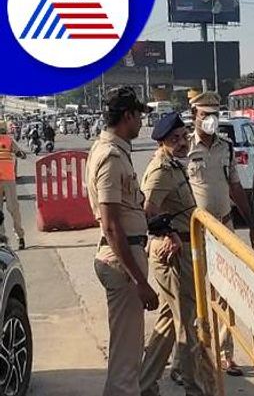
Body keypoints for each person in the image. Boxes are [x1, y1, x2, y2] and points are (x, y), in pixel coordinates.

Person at [86, 87, 159, 396]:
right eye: (138, 116)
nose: (141, 123)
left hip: (125, 252)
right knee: (126, 360)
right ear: (127, 116)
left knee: (126, 350)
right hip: (122, 257)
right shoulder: (111, 156)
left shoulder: (112, 150)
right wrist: (139, 280)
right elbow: (112, 225)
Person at [186, 91, 254, 376]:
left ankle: (226, 353)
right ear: (194, 116)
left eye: (214, 115)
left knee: (225, 291)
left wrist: (251, 224)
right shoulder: (184, 148)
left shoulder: (226, 148)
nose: (211, 121)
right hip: (197, 231)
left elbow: (235, 188)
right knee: (195, 294)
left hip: (225, 227)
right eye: (205, 115)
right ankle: (195, 353)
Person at [139, 113, 203, 396]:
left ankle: (143, 383)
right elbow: (146, 210)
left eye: (183, 137)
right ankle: (195, 388)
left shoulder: (174, 165)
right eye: (174, 139)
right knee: (186, 323)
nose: (181, 143)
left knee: (168, 321)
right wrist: (167, 234)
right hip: (174, 254)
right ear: (163, 142)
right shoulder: (161, 170)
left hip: (184, 249)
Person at [0, 121, 27, 249]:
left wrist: (19, 154)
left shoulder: (9, 141)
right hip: (7, 179)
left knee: (13, 209)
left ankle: (20, 236)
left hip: (8, 179)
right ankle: (2, 238)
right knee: (13, 209)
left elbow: (21, 154)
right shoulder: (9, 140)